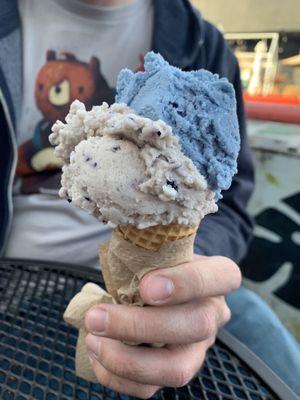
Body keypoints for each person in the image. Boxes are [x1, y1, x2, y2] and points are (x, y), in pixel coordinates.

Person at [0, 0, 299, 397]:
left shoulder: (201, 41)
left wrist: (192, 275)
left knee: (267, 339)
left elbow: (227, 201)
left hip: (181, 293)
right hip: (19, 292)